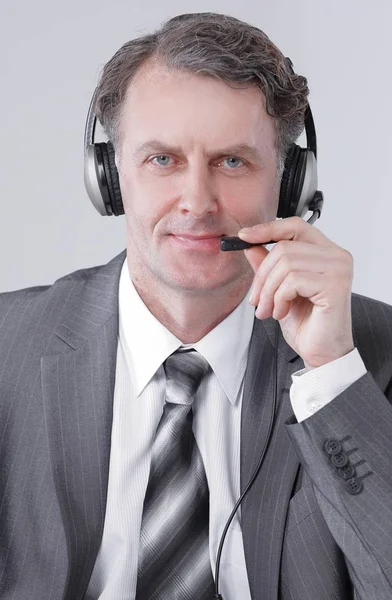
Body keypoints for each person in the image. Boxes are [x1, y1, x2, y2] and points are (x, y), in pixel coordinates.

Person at [0, 11, 391, 600]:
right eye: (163, 160)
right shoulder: (8, 344)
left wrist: (333, 373)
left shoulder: (371, 353)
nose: (197, 202)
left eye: (232, 161)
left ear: (290, 184)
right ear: (109, 177)